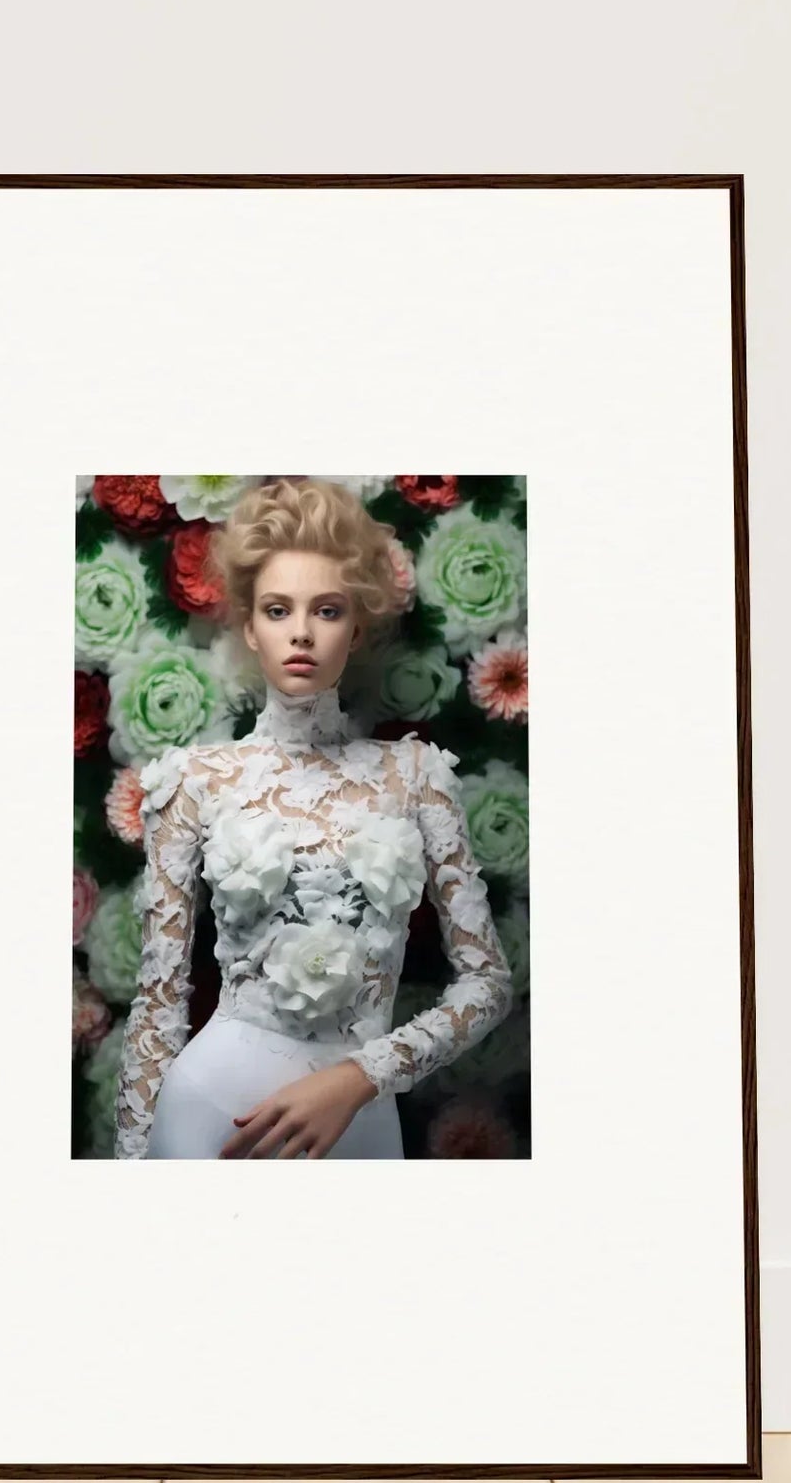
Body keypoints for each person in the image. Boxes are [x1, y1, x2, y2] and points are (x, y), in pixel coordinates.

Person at [111, 477, 515, 1160]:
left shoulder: (417, 776)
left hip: (357, 1120)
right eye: (277, 609)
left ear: (356, 628)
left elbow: (488, 984)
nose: (301, 632)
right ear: (249, 626)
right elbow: (158, 1007)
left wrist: (362, 1076)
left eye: (326, 611)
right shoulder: (195, 779)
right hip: (209, 1113)